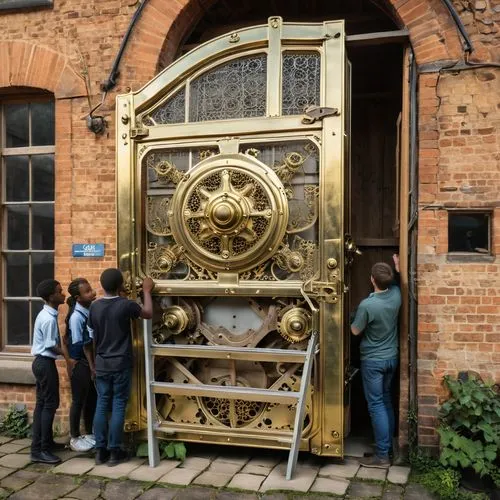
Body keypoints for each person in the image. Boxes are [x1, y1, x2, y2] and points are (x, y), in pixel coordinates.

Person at [89, 269, 154, 466]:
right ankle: (115, 451)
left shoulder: (94, 306)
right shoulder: (126, 305)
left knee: (101, 404)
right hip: (120, 363)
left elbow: (93, 336)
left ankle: (100, 452)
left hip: (101, 362)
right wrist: (146, 291)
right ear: (121, 286)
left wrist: (95, 363)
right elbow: (148, 313)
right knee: (118, 404)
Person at [351, 254, 401, 468]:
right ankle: (386, 446)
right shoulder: (397, 294)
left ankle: (382, 456)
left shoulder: (368, 305)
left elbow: (355, 331)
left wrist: (351, 316)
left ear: (372, 280)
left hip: (373, 361)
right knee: (386, 401)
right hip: (391, 358)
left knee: (376, 405)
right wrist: (398, 266)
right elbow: (399, 281)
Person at [30, 279, 67, 464]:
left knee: (43, 404)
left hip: (41, 363)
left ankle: (45, 443)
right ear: (51, 296)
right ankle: (40, 450)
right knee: (50, 404)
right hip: (45, 363)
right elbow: (50, 345)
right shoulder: (48, 319)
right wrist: (67, 356)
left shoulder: (47, 314)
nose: (64, 294)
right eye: (60, 291)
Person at [61, 278, 97, 452]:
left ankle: (90, 433)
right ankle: (75, 437)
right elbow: (79, 344)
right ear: (78, 297)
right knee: (78, 400)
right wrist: (88, 366)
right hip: (81, 364)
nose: (92, 293)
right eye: (88, 291)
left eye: (90, 289)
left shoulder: (88, 310)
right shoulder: (77, 317)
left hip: (88, 362)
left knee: (91, 399)